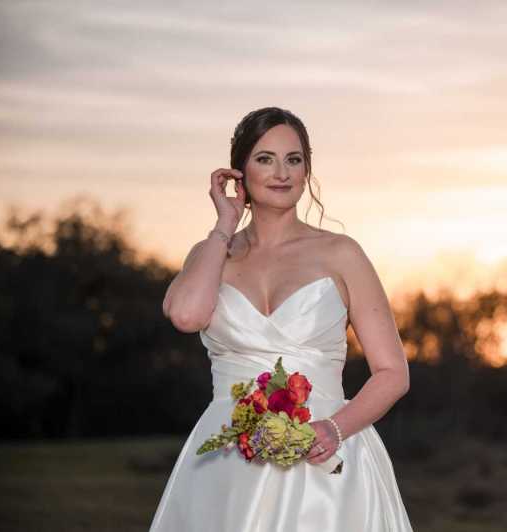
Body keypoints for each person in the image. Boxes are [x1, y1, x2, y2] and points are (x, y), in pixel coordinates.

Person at [149, 107, 414, 531]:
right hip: (228, 457)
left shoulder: (341, 253)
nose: (281, 172)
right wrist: (224, 223)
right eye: (265, 158)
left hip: (325, 456)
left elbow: (392, 373)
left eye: (294, 159)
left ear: (307, 170)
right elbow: (185, 315)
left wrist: (333, 429)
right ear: (240, 172)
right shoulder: (213, 253)